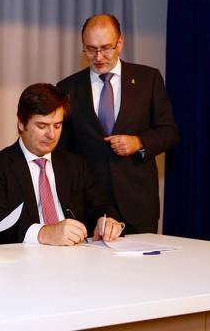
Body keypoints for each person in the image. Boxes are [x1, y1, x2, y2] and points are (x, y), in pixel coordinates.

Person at [57, 14, 180, 234]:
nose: (98, 56)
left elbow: (169, 132)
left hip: (138, 205)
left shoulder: (148, 79)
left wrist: (139, 142)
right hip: (90, 208)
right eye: (90, 49)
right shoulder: (68, 88)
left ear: (120, 43)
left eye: (106, 48)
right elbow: (62, 151)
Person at [0, 83, 122, 246]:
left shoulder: (75, 164)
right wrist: (44, 233)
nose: (51, 135)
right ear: (21, 124)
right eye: (42, 126)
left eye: (57, 126)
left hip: (76, 256)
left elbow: (101, 206)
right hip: (24, 261)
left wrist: (107, 221)